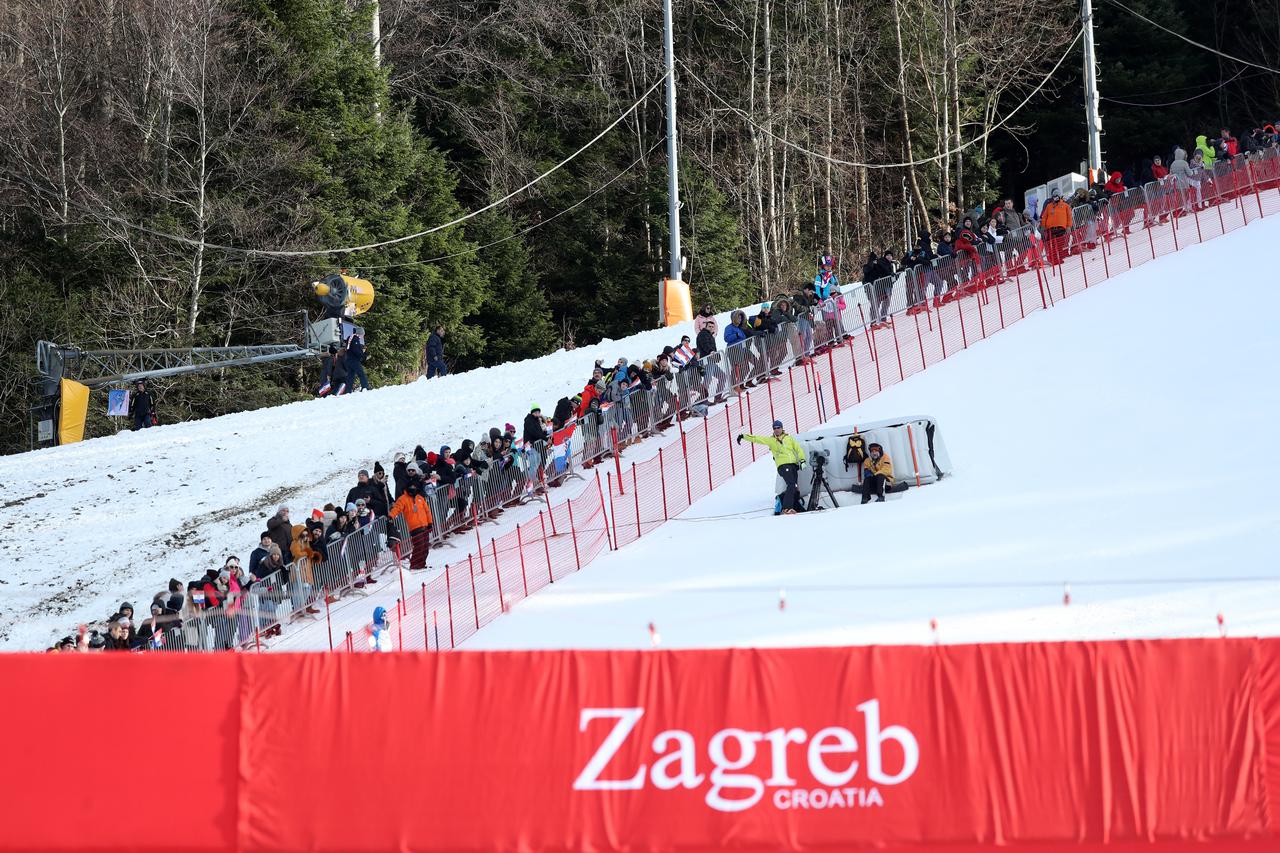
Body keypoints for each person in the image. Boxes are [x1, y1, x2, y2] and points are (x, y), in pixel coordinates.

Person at [737, 420, 806, 515]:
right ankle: (787, 508)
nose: (776, 430)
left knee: (795, 487)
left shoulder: (789, 438)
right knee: (791, 484)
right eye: (774, 428)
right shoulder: (771, 440)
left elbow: (798, 449)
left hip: (793, 465)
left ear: (782, 428)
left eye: (778, 427)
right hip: (783, 465)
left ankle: (795, 507)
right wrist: (743, 436)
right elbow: (757, 438)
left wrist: (802, 460)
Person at [390, 477, 434, 570]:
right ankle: (414, 565)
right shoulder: (403, 499)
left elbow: (427, 511)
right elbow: (397, 508)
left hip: (425, 526)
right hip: (414, 528)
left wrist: (430, 523)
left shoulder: (420, 498)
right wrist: (391, 516)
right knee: (419, 546)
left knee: (425, 547)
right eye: (411, 487)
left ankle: (422, 564)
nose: (413, 488)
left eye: (414, 487)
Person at [1040, 188, 1073, 265]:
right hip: (1050, 229)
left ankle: (1060, 258)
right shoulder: (1049, 206)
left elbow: (1069, 217)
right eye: (1054, 197)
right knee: (1052, 245)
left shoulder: (1065, 206)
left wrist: (1068, 226)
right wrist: (1043, 227)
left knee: (1060, 244)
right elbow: (1044, 217)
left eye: (1057, 196)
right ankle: (1054, 259)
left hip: (1061, 228)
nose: (1056, 198)